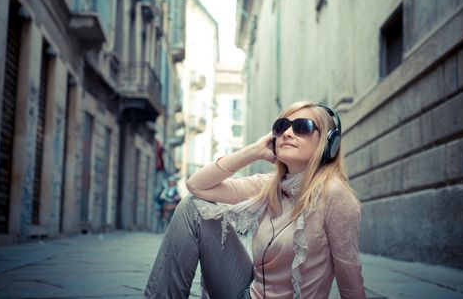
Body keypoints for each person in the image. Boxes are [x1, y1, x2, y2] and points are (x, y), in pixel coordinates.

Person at [144, 101, 366, 299]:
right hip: (245, 293)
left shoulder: (335, 195)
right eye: (281, 127)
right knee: (190, 207)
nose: (287, 133)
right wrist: (255, 151)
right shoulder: (268, 186)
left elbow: (351, 284)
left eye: (302, 127)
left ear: (328, 143)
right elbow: (196, 185)